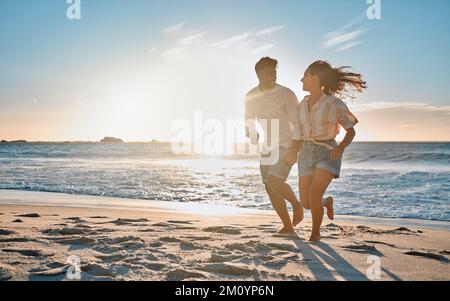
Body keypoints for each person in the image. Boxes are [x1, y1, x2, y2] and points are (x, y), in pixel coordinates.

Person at [286, 60, 367, 242]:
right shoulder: (302, 104)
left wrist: (340, 148)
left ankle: (315, 234)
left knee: (314, 194)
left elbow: (351, 130)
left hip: (327, 151)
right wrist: (293, 152)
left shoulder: (334, 104)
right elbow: (298, 133)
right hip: (306, 152)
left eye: (305, 76)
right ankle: (326, 203)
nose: (301, 80)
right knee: (306, 202)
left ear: (315, 78)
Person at [245, 57, 303, 234]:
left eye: (275, 72)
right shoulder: (250, 96)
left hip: (287, 145)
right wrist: (252, 132)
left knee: (274, 180)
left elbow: (298, 123)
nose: (274, 75)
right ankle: (288, 226)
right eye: (270, 72)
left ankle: (297, 205)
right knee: (270, 188)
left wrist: (295, 149)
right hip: (268, 147)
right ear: (259, 74)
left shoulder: (286, 94)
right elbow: (248, 120)